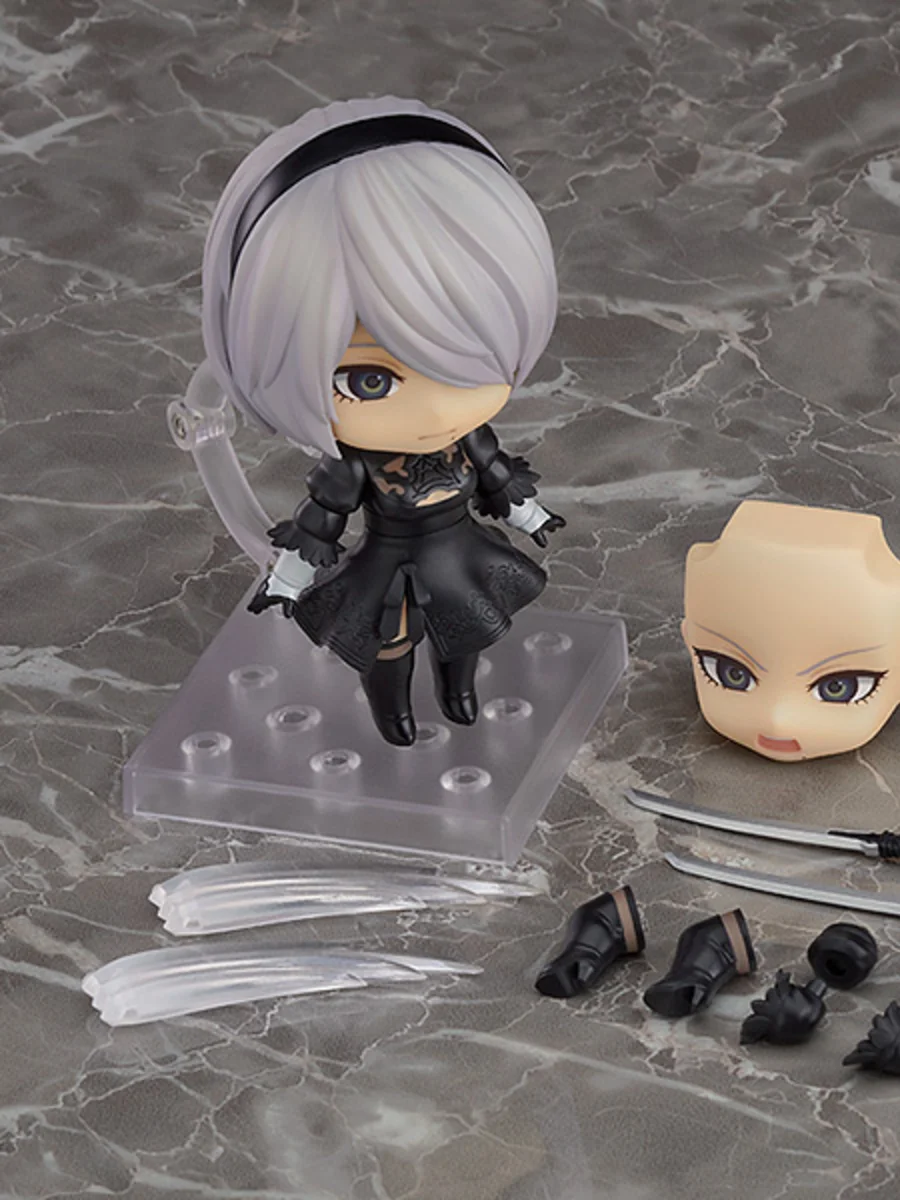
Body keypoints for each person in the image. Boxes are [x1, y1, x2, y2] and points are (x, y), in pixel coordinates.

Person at [201, 96, 565, 745]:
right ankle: (393, 711)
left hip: (458, 556)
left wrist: (530, 516)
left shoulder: (468, 439)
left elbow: (497, 477)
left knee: (465, 632)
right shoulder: (353, 468)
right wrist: (287, 580)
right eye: (369, 381)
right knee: (388, 643)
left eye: (464, 363)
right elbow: (318, 526)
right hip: (387, 564)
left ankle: (458, 693)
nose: (434, 410)